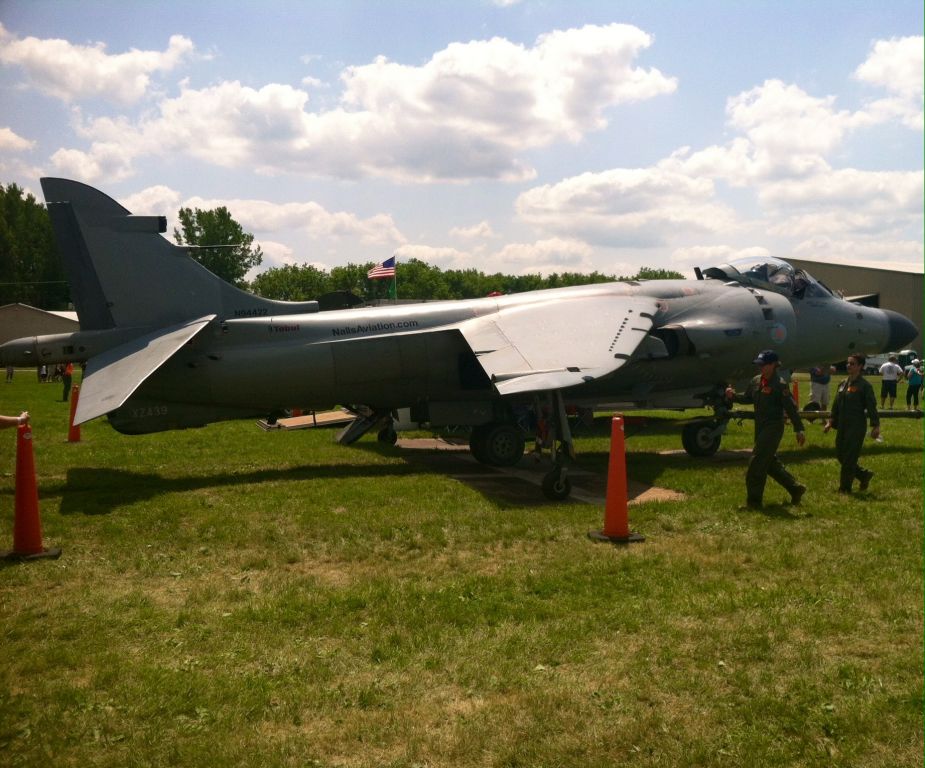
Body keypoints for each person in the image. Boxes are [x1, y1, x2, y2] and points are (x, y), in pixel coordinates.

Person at [725, 349, 807, 509]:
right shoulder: (756, 381)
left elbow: (791, 408)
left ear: (773, 365)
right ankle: (795, 488)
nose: (760, 367)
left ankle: (754, 503)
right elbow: (748, 398)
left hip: (773, 428)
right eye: (759, 364)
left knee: (756, 463)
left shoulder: (780, 384)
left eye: (763, 365)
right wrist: (733, 396)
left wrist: (799, 429)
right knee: (768, 463)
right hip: (760, 427)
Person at [824, 353, 879, 493]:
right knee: (840, 455)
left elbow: (872, 406)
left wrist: (875, 425)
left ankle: (845, 488)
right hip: (842, 425)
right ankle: (863, 475)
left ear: (860, 366)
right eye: (848, 363)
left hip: (856, 426)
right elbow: (836, 404)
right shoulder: (843, 383)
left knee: (849, 458)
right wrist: (830, 421)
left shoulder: (864, 385)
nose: (849, 365)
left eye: (852, 363)